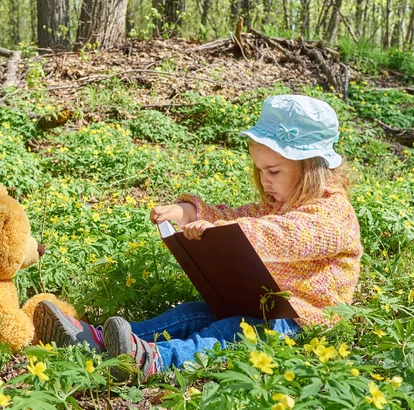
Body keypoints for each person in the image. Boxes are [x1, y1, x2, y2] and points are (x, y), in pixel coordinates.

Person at [32, 95, 363, 381]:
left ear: (309, 167)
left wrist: (227, 234)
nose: (265, 181)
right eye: (259, 170)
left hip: (302, 326)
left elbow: (286, 236)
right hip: (256, 306)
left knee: (230, 333)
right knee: (192, 313)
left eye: (273, 171)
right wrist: (188, 212)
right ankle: (100, 340)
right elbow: (234, 215)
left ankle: (156, 361)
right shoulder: (273, 204)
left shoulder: (332, 214)